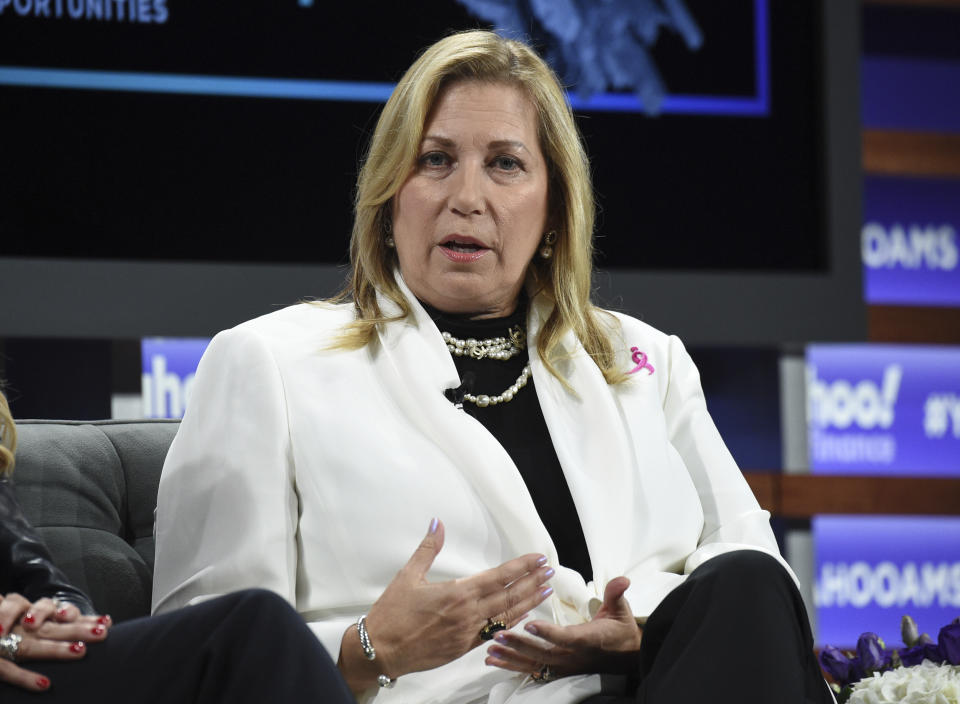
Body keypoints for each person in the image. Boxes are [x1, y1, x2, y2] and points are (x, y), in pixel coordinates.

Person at [152, 30, 834, 704]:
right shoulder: (272, 364)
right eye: (435, 160)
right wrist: (371, 648)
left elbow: (759, 587)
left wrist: (648, 639)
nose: (466, 196)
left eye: (505, 163)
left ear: (554, 212)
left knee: (744, 581)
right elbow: (201, 662)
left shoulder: (646, 363)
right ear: (390, 200)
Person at [0, 391, 355, 702]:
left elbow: (49, 585)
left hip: (28, 664)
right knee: (251, 625)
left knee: (254, 631)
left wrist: (55, 617)